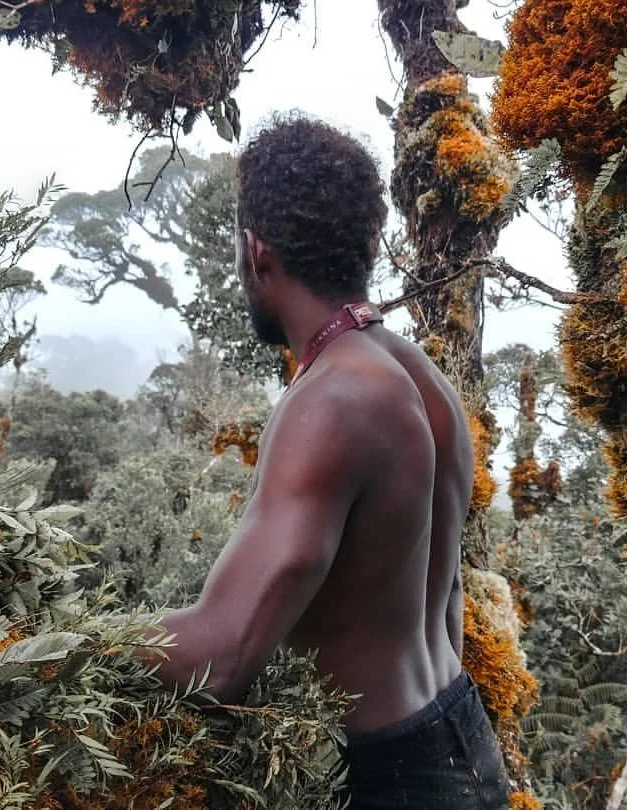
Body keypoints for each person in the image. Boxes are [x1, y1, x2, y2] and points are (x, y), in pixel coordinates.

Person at [144, 116, 510, 809]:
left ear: (258, 253)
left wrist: (64, 641)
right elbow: (444, 595)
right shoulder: (419, 377)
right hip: (459, 737)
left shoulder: (332, 400)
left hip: (392, 779)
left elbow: (222, 657)